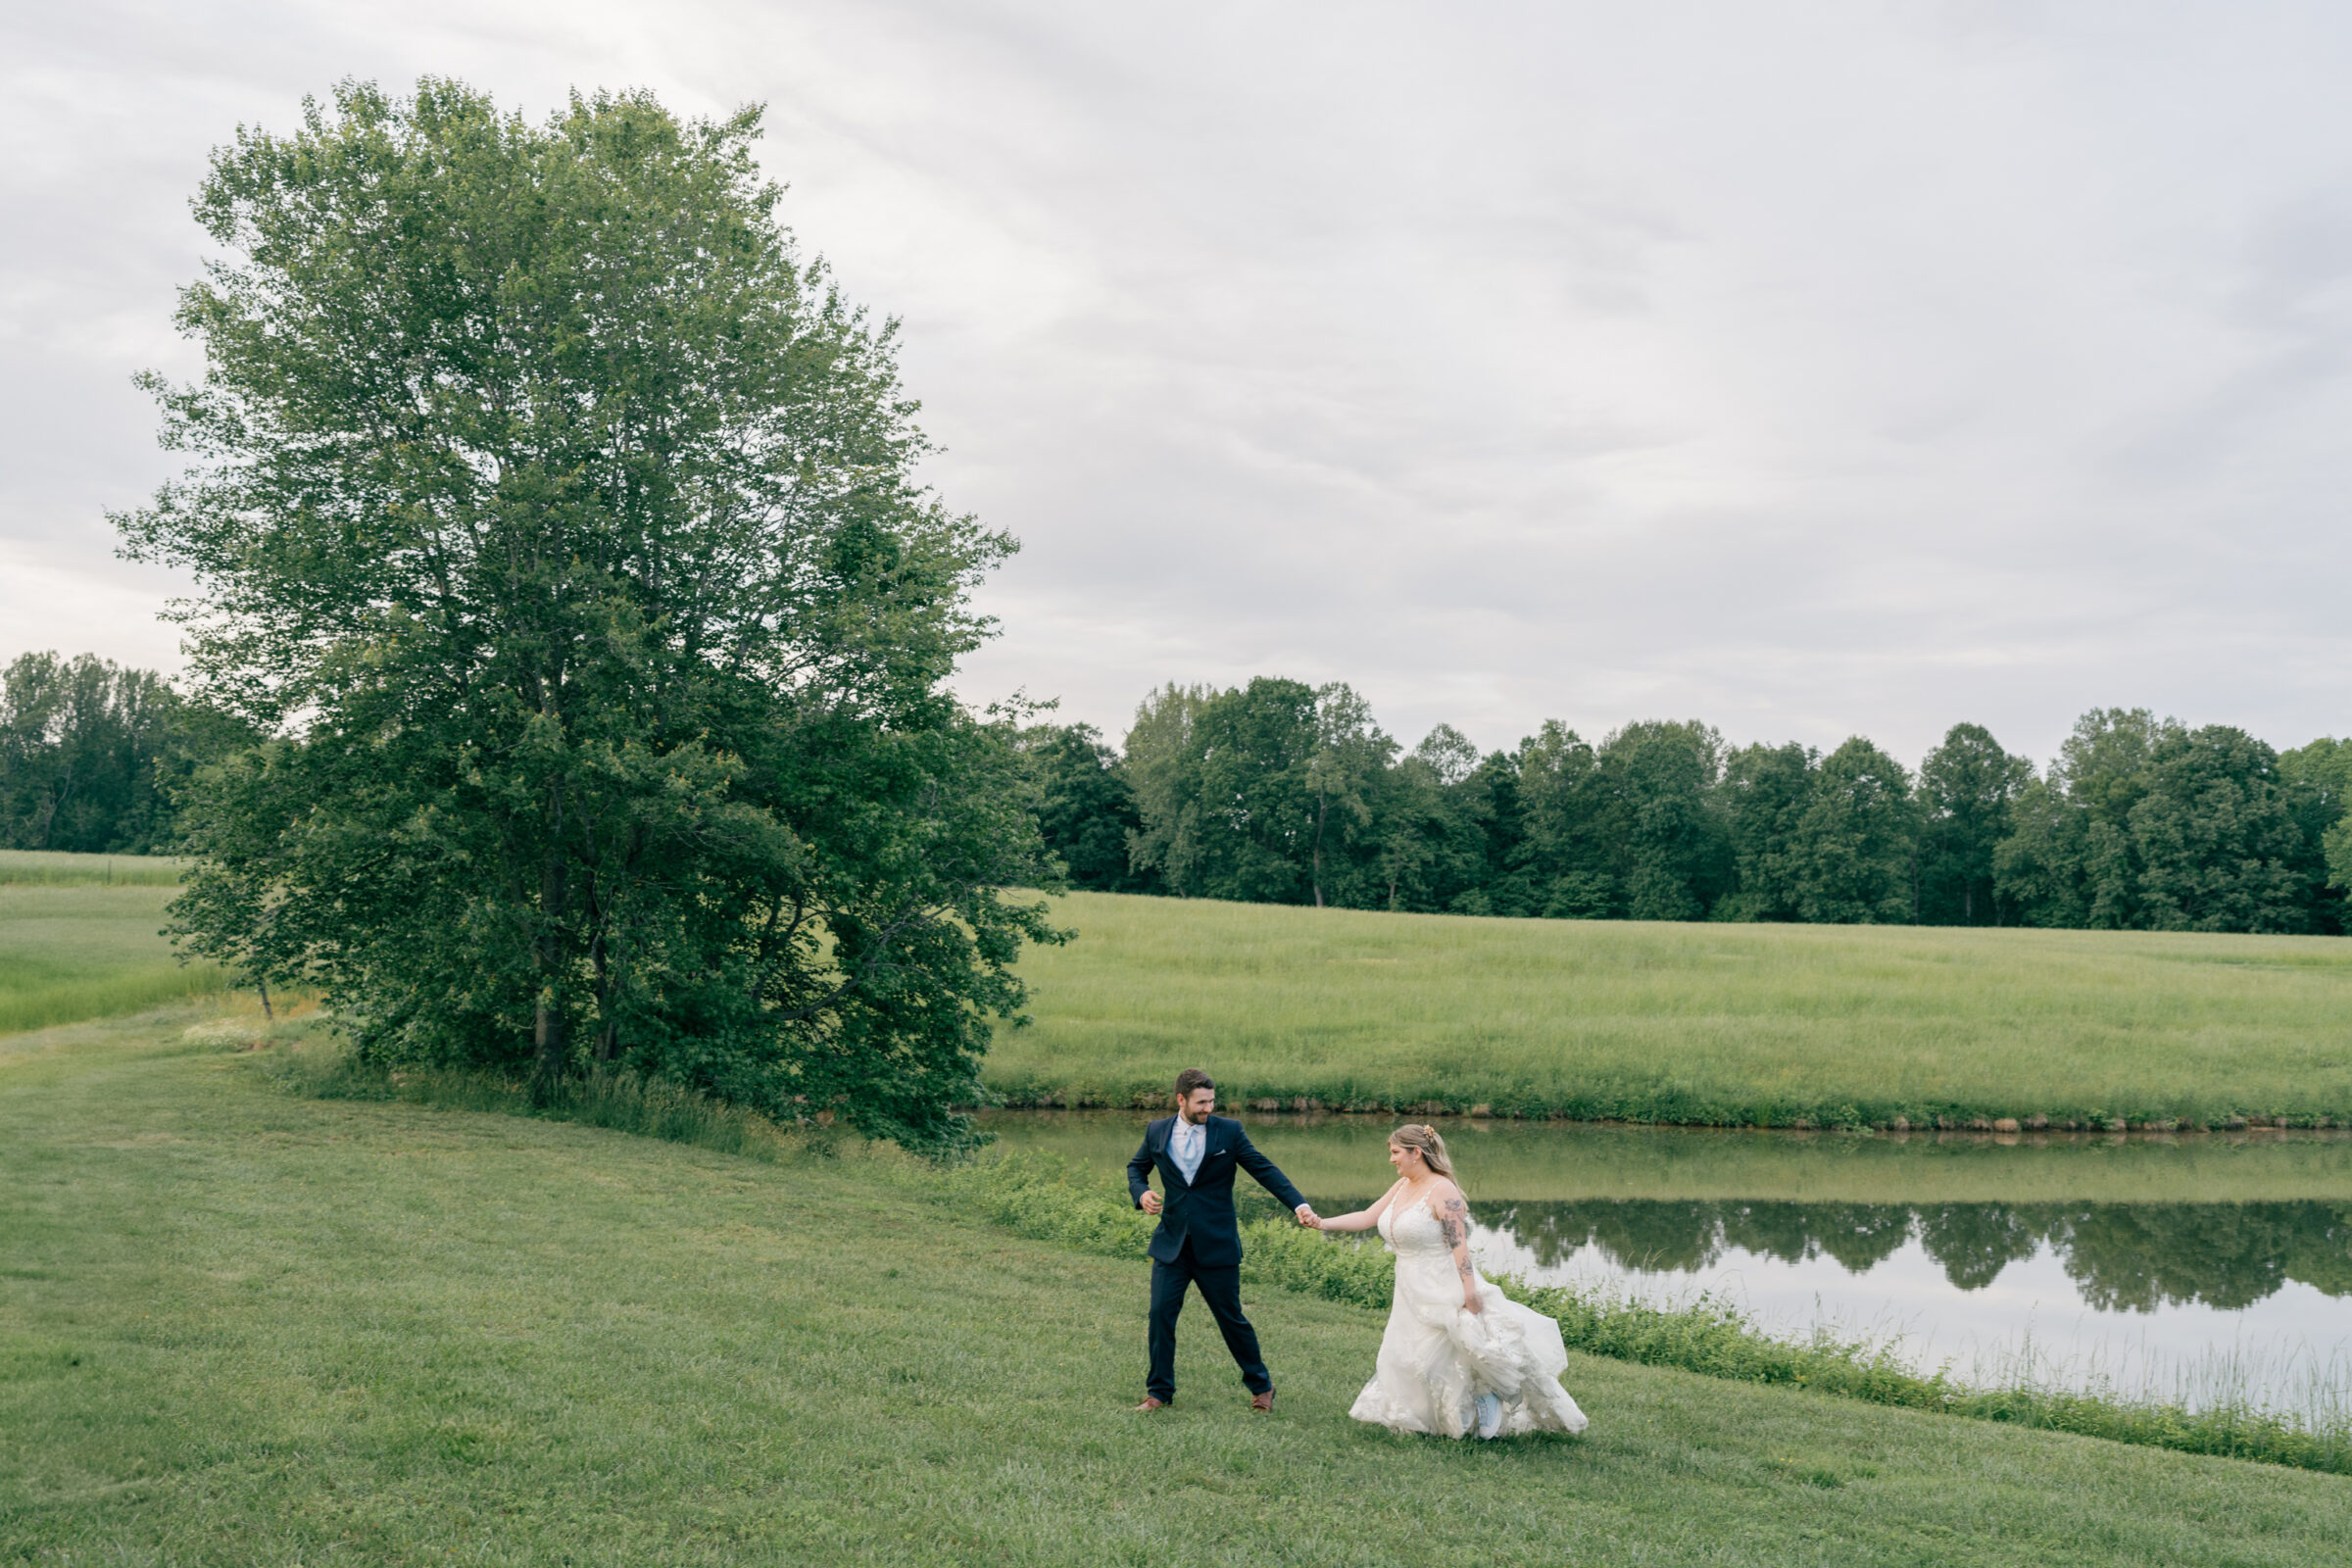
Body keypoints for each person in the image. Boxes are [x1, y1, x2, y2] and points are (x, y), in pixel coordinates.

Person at [1309, 1123, 1588, 1439]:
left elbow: (1460, 1246)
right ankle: (1428, 1419)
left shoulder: (1444, 1191)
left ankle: (1488, 1396)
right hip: (1410, 1287)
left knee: (1459, 1349)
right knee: (1406, 1356)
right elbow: (1367, 1217)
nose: (1391, 1159)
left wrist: (1470, 1291)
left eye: (1396, 1152)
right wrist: (1321, 1223)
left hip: (1443, 1283)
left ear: (1416, 1152)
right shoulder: (1402, 1185)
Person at [1127, 1068, 1320, 1412]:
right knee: (1159, 1314)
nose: (1208, 1108)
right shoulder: (1157, 1130)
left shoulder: (1229, 1132)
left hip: (1216, 1244)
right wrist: (1141, 1193)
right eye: (1201, 1102)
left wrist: (1299, 1204)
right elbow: (1136, 1167)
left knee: (1230, 1318)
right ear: (1181, 1099)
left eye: (1212, 1101)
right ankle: (1159, 1392)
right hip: (1172, 1244)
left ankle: (1261, 1386)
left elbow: (1263, 1169)